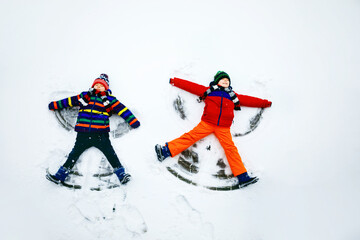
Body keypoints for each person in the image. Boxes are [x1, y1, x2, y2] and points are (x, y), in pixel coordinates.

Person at [155, 71, 272, 188]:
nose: (225, 81)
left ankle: (242, 177)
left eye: (227, 80)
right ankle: (165, 151)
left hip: (223, 128)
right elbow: (191, 86)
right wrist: (175, 81)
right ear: (217, 82)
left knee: (230, 149)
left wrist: (265, 103)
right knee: (190, 137)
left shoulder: (233, 95)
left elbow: (249, 100)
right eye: (223, 80)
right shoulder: (209, 91)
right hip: (207, 123)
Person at [47, 74, 140, 185]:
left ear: (106, 88)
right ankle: (60, 176)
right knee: (74, 154)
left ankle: (121, 175)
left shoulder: (109, 99)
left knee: (110, 153)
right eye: (96, 84)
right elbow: (70, 101)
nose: (98, 87)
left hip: (101, 134)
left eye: (101, 85)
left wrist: (133, 121)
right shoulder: (85, 96)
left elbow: (122, 110)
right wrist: (55, 105)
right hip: (83, 133)